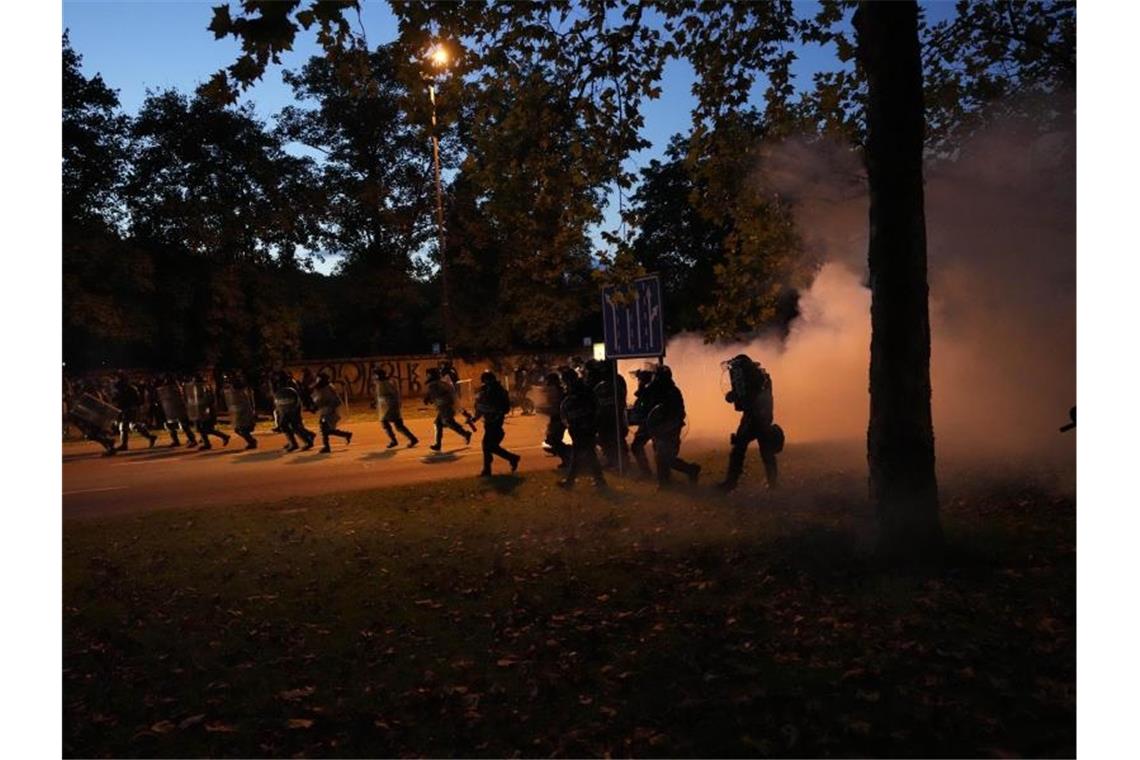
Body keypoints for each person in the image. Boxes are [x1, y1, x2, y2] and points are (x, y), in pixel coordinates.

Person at [717, 354, 782, 491]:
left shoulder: (754, 378)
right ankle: (773, 484)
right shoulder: (759, 376)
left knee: (739, 450)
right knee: (765, 452)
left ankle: (731, 483)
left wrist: (734, 396)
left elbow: (749, 396)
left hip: (754, 417)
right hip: (761, 416)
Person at [630, 365, 701, 486]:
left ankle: (688, 471)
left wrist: (666, 428)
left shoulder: (672, 392)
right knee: (637, 446)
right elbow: (641, 399)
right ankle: (649, 474)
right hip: (650, 424)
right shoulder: (652, 388)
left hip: (667, 427)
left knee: (665, 457)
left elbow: (679, 414)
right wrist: (641, 383)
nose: (655, 379)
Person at [557, 367, 606, 490]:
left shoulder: (581, 391)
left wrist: (587, 422)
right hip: (580, 426)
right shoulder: (579, 389)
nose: (564, 383)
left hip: (583, 426)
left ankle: (570, 482)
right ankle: (599, 480)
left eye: (565, 380)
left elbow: (592, 407)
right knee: (588, 454)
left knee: (580, 454)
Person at [471, 370, 521, 476]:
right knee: (489, 447)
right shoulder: (485, 391)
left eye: (486, 381)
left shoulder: (499, 391)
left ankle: (490, 469)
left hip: (495, 423)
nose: (485, 383)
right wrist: (474, 418)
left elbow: (503, 408)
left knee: (488, 446)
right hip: (489, 422)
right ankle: (510, 459)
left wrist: (494, 412)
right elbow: (480, 406)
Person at [587, 359, 630, 471]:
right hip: (603, 414)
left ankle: (622, 461)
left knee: (618, 438)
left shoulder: (617, 380)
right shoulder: (601, 382)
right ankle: (612, 460)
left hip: (615, 413)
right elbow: (594, 396)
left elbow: (622, 395)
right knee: (605, 438)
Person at [424, 367, 473, 451]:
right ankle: (438, 444)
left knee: (448, 422)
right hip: (444, 407)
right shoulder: (441, 383)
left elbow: (435, 396)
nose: (427, 376)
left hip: (445, 407)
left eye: (428, 375)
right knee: (439, 423)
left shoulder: (435, 384)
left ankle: (465, 434)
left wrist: (429, 399)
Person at [372, 366, 418, 448]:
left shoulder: (383, 383)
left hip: (389, 407)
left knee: (386, 424)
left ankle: (394, 440)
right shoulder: (385, 382)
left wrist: (381, 402)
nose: (374, 377)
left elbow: (390, 395)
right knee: (398, 425)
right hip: (389, 407)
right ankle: (411, 439)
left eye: (375, 375)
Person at [111, 372, 157, 450]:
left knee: (124, 426)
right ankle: (150, 437)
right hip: (127, 409)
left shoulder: (130, 388)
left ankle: (124, 445)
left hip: (130, 409)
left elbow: (136, 400)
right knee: (133, 426)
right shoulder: (122, 388)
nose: (116, 380)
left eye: (118, 378)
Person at [272, 370, 315, 452]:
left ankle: (302, 442)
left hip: (292, 406)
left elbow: (296, 394)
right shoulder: (281, 383)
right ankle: (300, 441)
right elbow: (278, 395)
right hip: (284, 406)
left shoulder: (290, 383)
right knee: (287, 425)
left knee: (292, 425)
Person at [185, 373, 230, 450]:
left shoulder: (205, 388)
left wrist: (204, 407)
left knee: (206, 429)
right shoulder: (195, 389)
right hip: (198, 411)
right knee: (200, 428)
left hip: (206, 411)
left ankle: (219, 438)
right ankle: (213, 441)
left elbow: (210, 400)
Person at [154, 373, 198, 448]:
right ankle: (180, 440)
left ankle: (192, 440)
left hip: (177, 408)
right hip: (172, 409)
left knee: (182, 425)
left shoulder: (175, 388)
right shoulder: (173, 387)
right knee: (174, 426)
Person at [312, 372, 353, 453]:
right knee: (327, 429)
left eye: (319, 378)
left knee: (324, 428)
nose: (317, 380)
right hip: (326, 410)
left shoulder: (327, 388)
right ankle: (346, 434)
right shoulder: (324, 387)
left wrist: (317, 405)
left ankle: (327, 447)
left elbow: (326, 400)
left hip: (330, 411)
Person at [537, 370, 570, 467]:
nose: (546, 383)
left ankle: (569, 456)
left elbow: (556, 407)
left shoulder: (556, 391)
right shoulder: (555, 390)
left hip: (558, 419)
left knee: (553, 440)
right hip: (556, 418)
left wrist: (544, 409)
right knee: (552, 440)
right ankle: (567, 459)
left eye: (548, 381)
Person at [222, 373, 258, 450]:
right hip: (238, 412)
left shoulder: (241, 391)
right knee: (238, 429)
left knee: (241, 429)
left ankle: (252, 442)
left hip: (244, 411)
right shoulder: (235, 391)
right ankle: (251, 441)